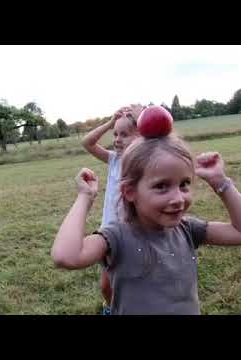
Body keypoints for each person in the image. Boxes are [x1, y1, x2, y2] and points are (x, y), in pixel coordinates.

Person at [52, 133, 241, 314]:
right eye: (162, 186)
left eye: (184, 184)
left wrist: (220, 182)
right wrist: (85, 197)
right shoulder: (116, 236)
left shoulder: (188, 229)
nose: (178, 198)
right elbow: (65, 256)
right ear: (130, 192)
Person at [81, 104, 143, 314]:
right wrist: (109, 122)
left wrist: (141, 117)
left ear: (140, 135)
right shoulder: (114, 159)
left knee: (130, 282)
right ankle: (112, 308)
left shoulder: (144, 162)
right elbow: (87, 143)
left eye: (124, 134)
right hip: (108, 232)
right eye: (115, 134)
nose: (117, 139)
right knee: (106, 286)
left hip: (133, 234)